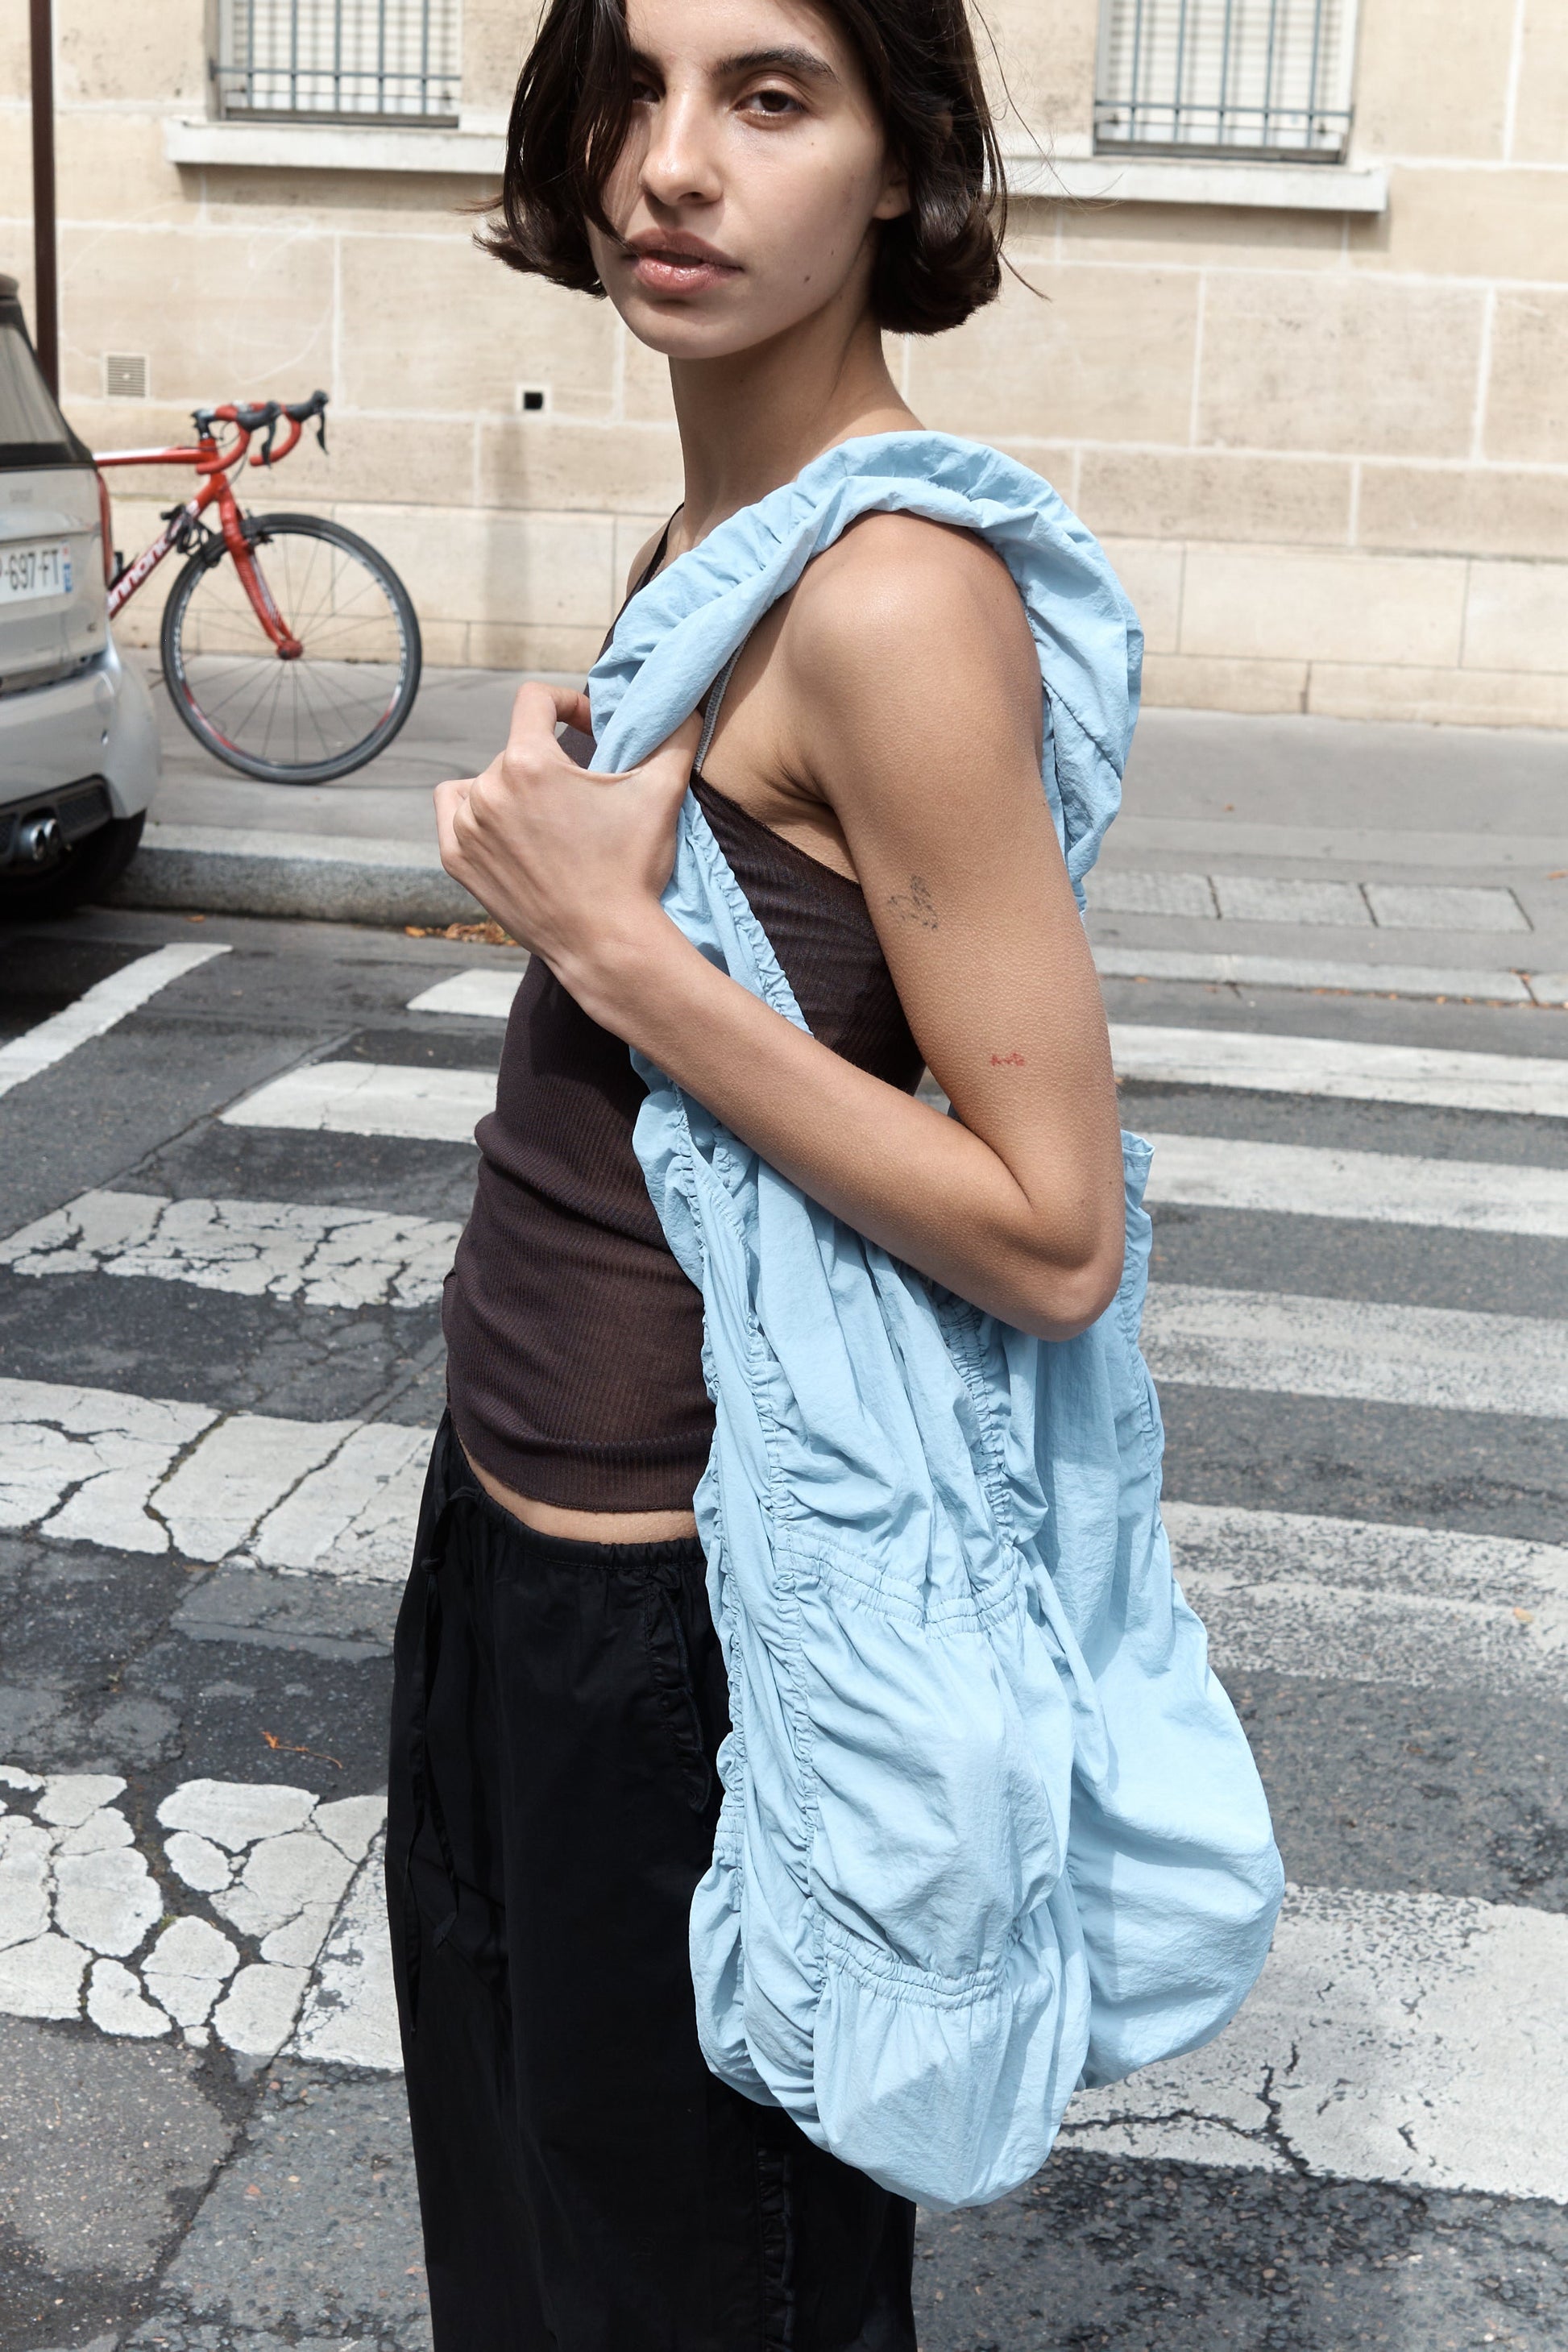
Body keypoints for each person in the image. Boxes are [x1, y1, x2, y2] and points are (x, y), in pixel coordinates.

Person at [388, 2, 1143, 2343]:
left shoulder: (892, 594)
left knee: (710, 2291)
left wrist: (607, 937)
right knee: (534, 2255)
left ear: (903, 169)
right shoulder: (722, 526)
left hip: (693, 1633)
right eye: (629, 87)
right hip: (514, 1527)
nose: (669, 165)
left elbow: (1049, 1227)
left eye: (769, 96)